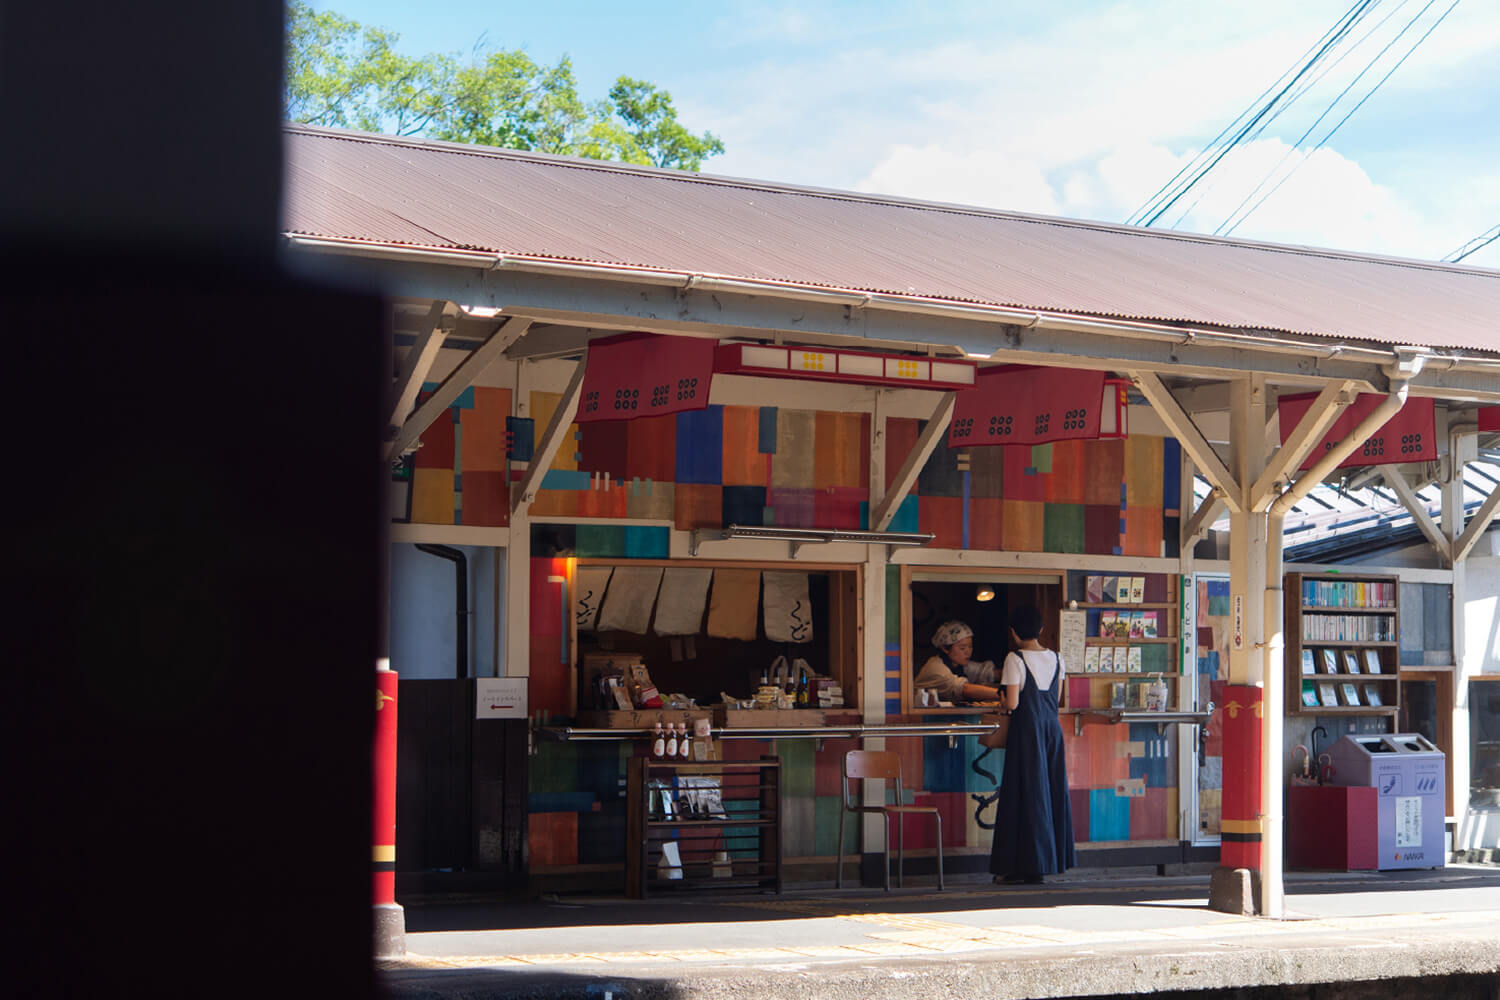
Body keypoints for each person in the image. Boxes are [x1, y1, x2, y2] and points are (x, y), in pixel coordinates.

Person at [989, 604, 1075, 885]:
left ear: (1014, 633)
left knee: (1023, 795)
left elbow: (1013, 703)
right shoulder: (1058, 658)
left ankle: (1021, 867)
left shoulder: (1014, 659)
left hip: (1027, 732)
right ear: (1041, 630)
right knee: (1049, 793)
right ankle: (1047, 862)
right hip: (1052, 731)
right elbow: (1056, 699)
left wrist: (1002, 700)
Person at [913, 620, 1000, 705]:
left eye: (970, 646)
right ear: (945, 648)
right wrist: (1003, 693)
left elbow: (984, 672)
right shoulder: (936, 669)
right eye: (962, 648)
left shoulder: (959, 664)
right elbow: (964, 689)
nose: (968, 652)